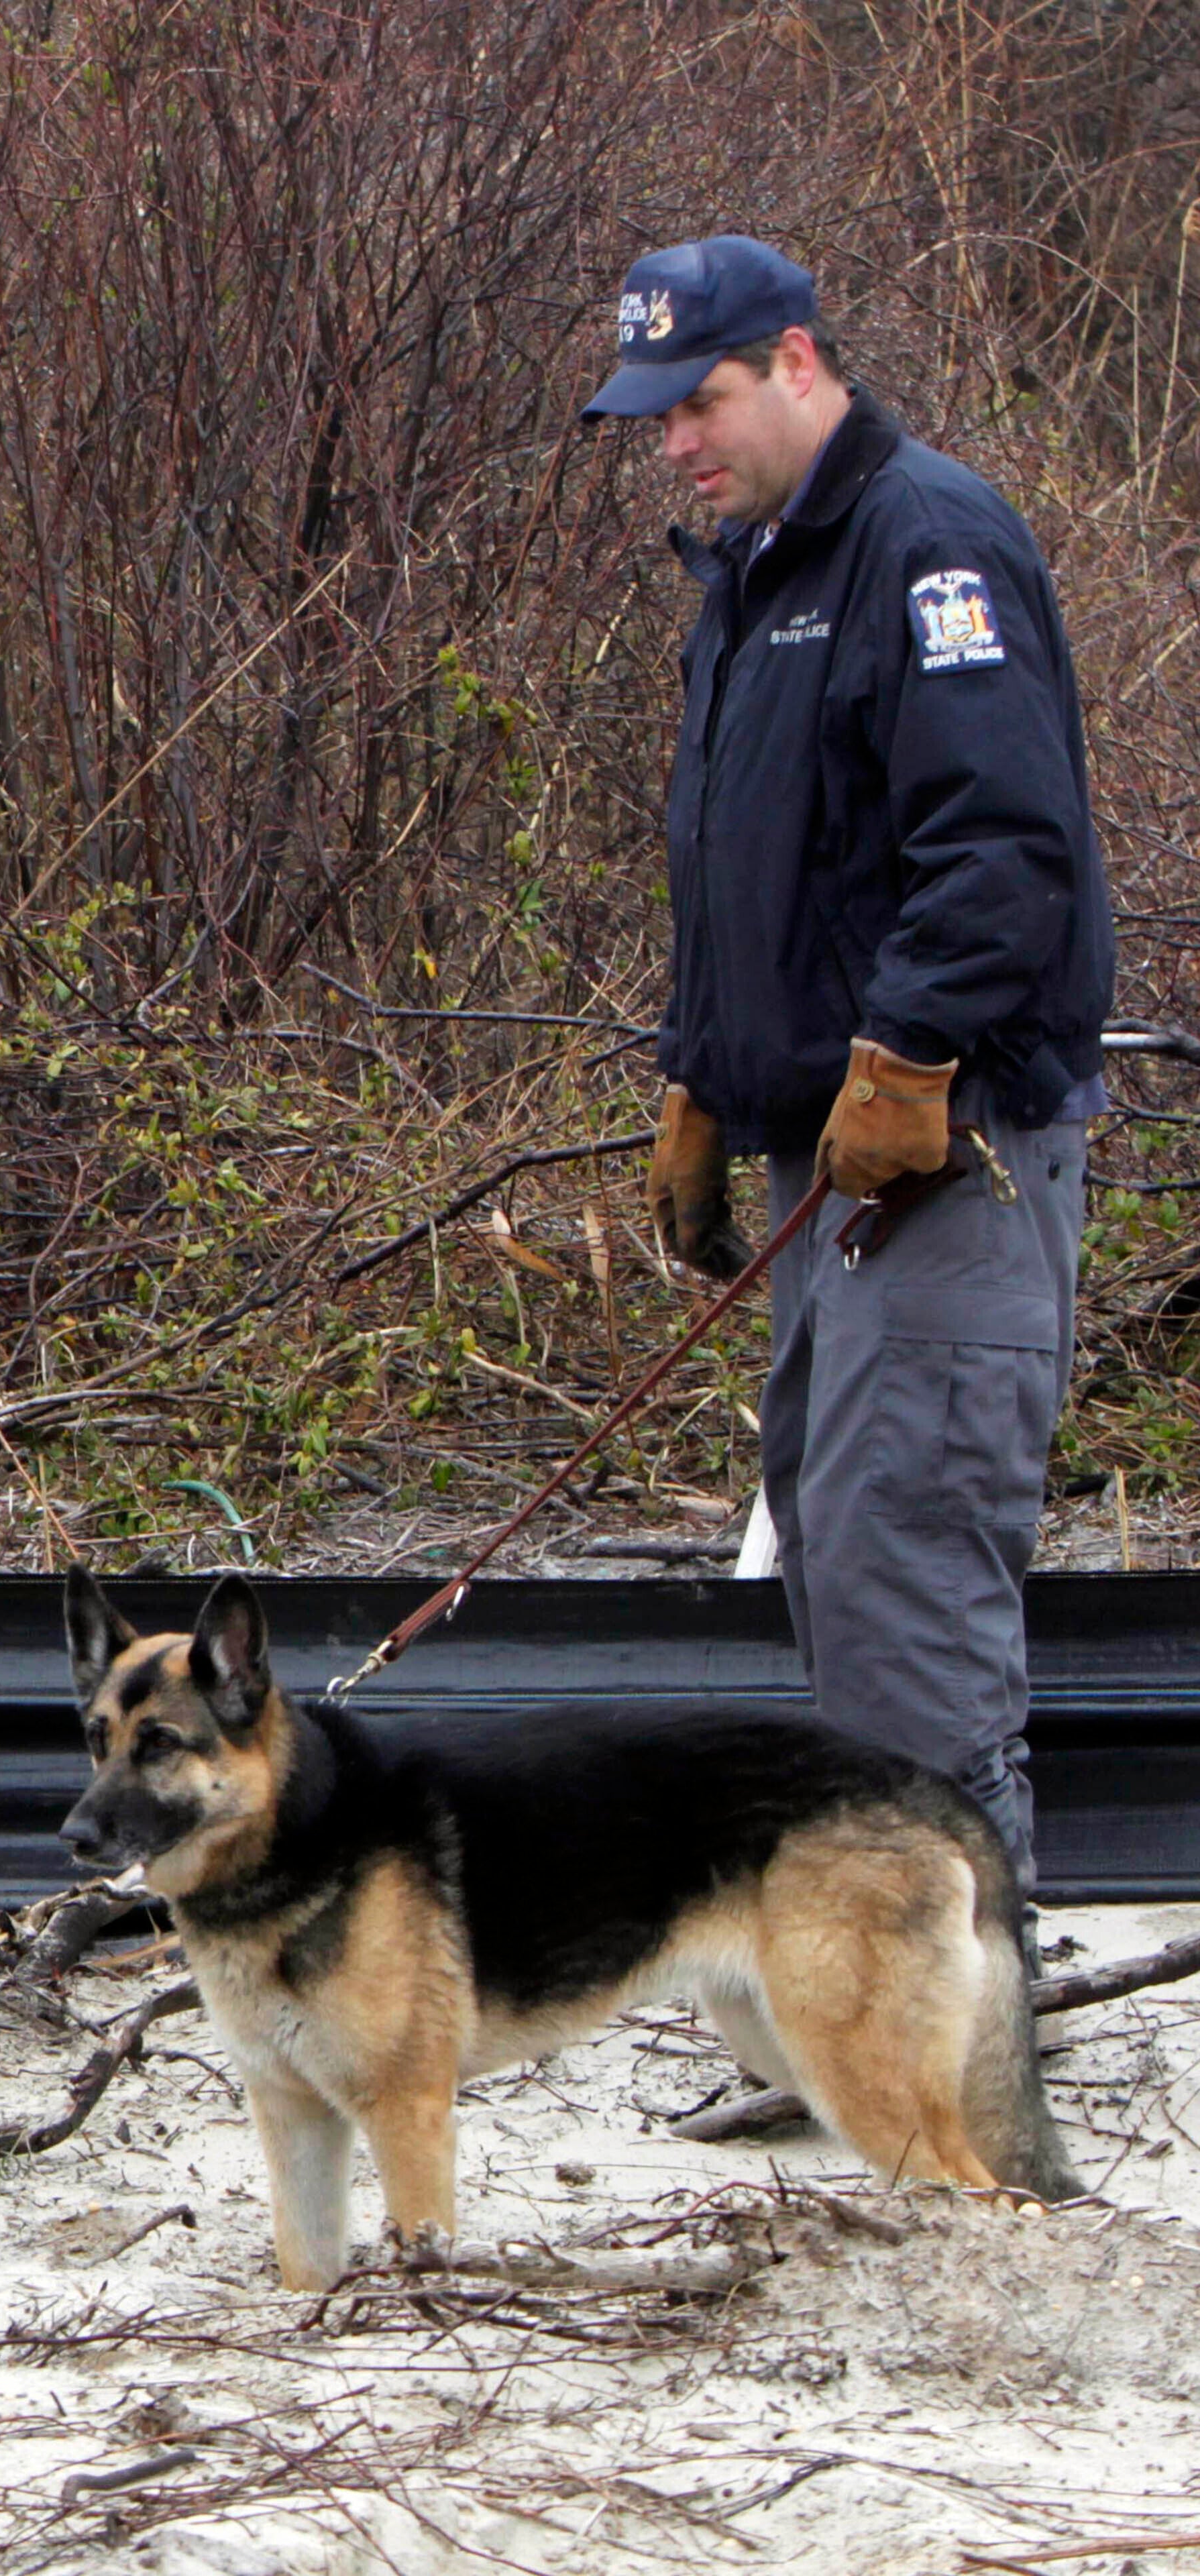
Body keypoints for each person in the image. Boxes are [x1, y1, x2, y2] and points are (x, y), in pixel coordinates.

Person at [594, 237, 1113, 1883]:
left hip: (945, 1151)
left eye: (701, 399)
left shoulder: (925, 543)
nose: (673, 439)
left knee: (904, 1564)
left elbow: (998, 848)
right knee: (823, 1539)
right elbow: (742, 872)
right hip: (822, 1160)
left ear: (798, 362)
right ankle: (879, 2006)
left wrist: (902, 1057)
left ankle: (959, 2026)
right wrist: (700, 1076)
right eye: (650, 414)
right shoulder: (748, 578)